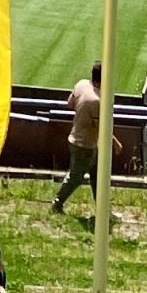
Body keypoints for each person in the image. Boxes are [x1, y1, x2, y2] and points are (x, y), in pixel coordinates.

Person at [54, 61, 103, 212]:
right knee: (76, 177)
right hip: (84, 145)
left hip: (78, 138)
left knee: (98, 176)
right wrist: (115, 143)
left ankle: (102, 209)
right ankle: (57, 203)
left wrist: (82, 113)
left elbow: (70, 103)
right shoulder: (96, 100)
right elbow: (100, 127)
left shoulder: (81, 84)